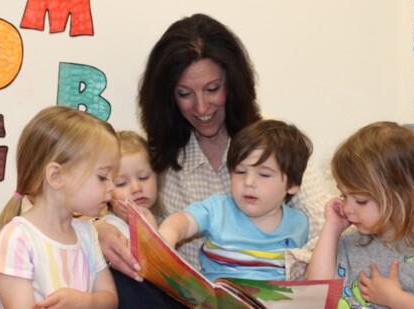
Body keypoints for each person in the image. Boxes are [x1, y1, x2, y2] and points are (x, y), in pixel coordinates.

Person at [94, 13, 330, 308]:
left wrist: (284, 280)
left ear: (233, 84)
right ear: (168, 96)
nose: (202, 107)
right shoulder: (160, 152)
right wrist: (101, 231)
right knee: (115, 278)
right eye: (185, 94)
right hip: (186, 299)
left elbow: (323, 222)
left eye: (212, 89)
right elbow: (98, 203)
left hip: (268, 299)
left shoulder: (271, 142)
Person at [305, 121, 414, 309]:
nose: (347, 208)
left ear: (405, 196)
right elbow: (314, 296)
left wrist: (397, 300)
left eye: (361, 200)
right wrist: (332, 228)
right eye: (343, 196)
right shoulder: (348, 243)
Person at [0, 106, 119, 308]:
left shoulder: (87, 233)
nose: (112, 187)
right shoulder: (18, 239)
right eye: (102, 177)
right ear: (56, 176)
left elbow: (110, 300)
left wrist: (85, 302)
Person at [158, 119, 311, 281]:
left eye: (264, 174)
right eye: (240, 172)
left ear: (293, 184)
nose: (248, 182)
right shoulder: (218, 209)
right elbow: (184, 221)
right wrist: (168, 235)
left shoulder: (299, 224)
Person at [105, 130, 161, 239]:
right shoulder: (113, 228)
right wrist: (146, 219)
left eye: (143, 177)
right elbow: (151, 254)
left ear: (156, 176)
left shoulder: (163, 218)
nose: (136, 188)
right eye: (121, 183)